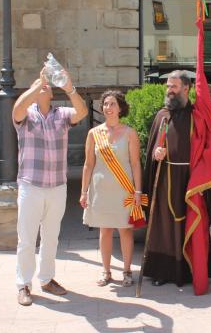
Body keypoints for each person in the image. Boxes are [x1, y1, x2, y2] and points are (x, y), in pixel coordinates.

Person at [12, 68, 88, 306]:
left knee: (51, 237)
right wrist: (37, 85)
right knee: (26, 239)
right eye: (38, 84)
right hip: (30, 185)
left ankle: (46, 279)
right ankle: (23, 284)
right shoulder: (26, 116)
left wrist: (69, 88)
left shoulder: (62, 114)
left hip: (57, 186)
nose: (44, 86)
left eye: (47, 85)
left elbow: (82, 111)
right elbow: (16, 109)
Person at [142, 70, 211, 290]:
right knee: (165, 226)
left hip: (190, 180)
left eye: (174, 86)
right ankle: (163, 271)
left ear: (186, 88)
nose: (169, 90)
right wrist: (156, 154)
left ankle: (190, 270)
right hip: (166, 178)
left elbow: (208, 147)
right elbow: (153, 149)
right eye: (168, 86)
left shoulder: (197, 116)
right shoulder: (162, 116)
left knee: (190, 224)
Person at [80, 90, 143, 287]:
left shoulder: (130, 133)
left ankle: (126, 271)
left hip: (124, 190)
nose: (108, 107)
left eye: (112, 104)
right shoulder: (94, 134)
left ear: (120, 108)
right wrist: (83, 191)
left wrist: (138, 191)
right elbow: (88, 164)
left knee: (125, 230)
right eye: (105, 104)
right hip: (100, 191)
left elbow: (135, 164)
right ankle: (106, 271)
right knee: (104, 230)